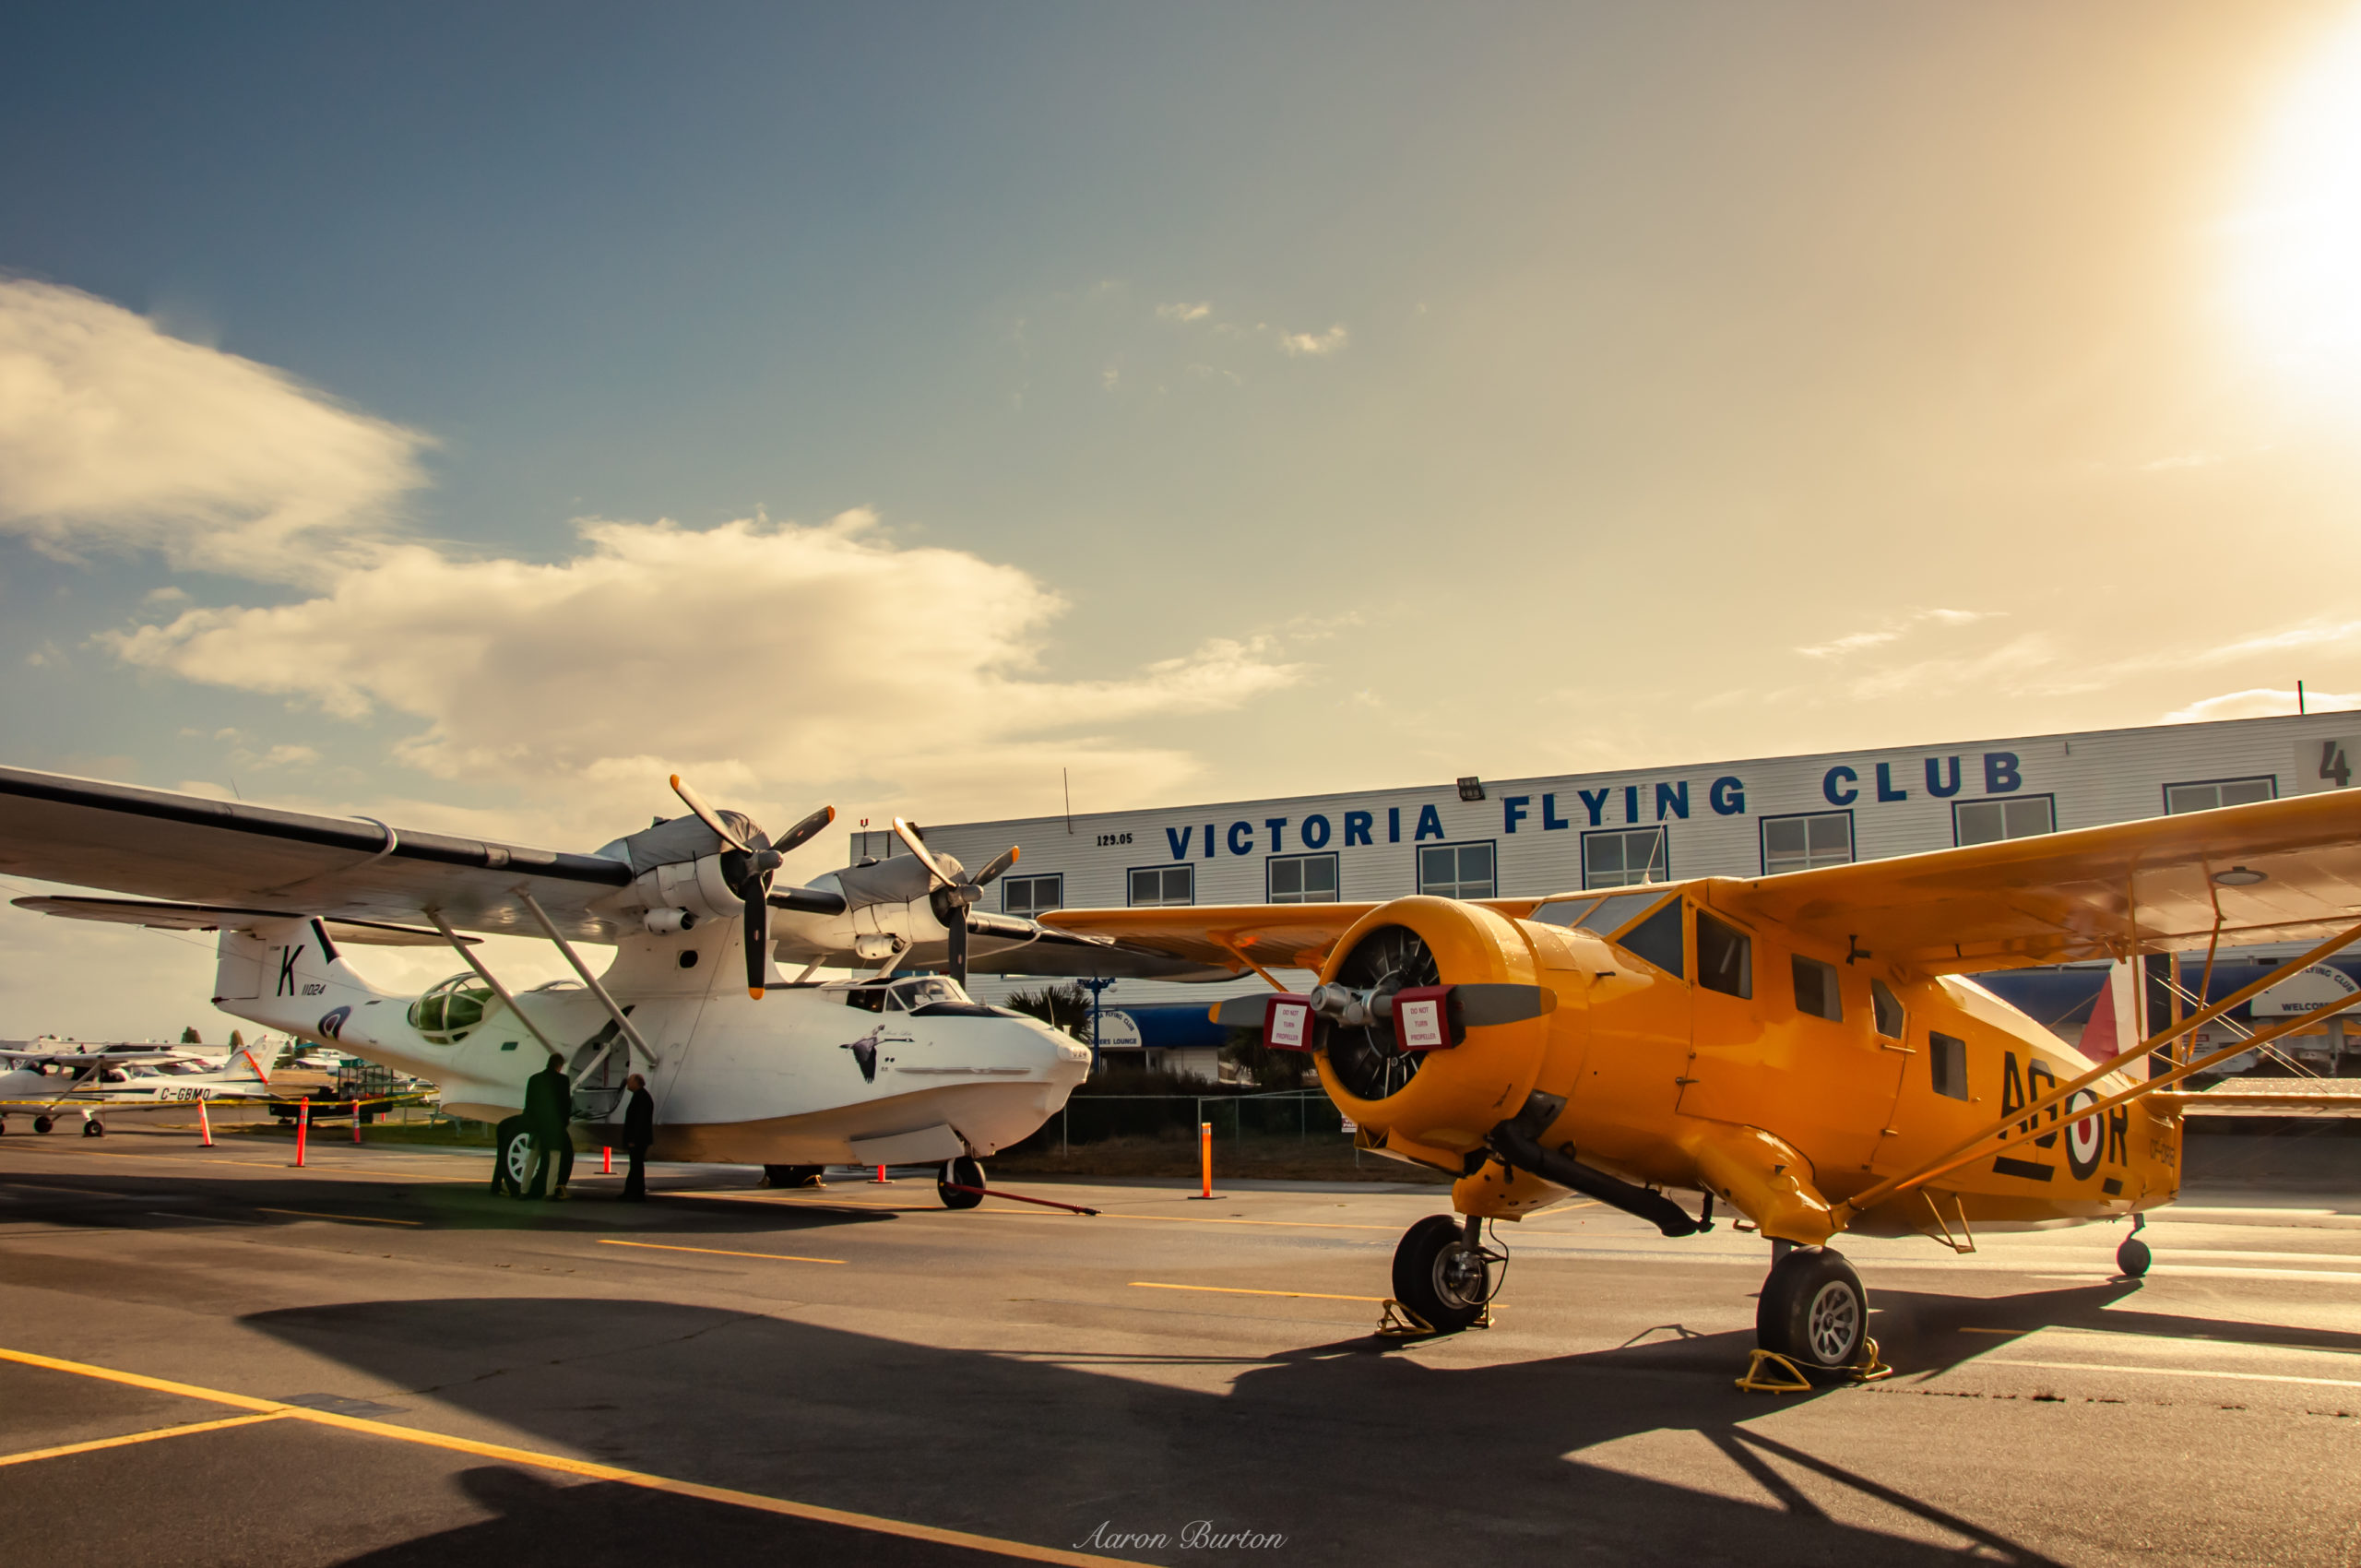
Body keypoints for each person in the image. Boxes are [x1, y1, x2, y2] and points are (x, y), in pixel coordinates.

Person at [522, 1051, 573, 1200]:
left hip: (537, 1125)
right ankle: (549, 1192)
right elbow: (565, 1104)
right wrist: (564, 1123)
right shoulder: (563, 1080)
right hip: (554, 1126)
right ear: (559, 1066)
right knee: (554, 1158)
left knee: (532, 1158)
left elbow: (528, 1103)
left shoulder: (534, 1079)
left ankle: (524, 1190)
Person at [620, 1073, 655, 1201]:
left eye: (630, 1081)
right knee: (636, 1166)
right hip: (640, 1138)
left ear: (636, 1083)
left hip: (638, 1139)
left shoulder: (641, 1098)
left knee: (636, 1166)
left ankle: (635, 1193)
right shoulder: (641, 1096)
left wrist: (633, 1139)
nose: (628, 1083)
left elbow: (639, 1121)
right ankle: (632, 1192)